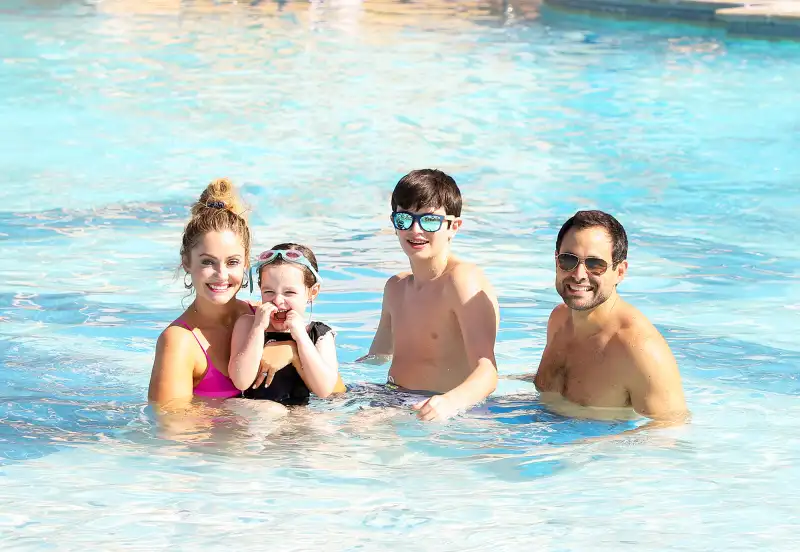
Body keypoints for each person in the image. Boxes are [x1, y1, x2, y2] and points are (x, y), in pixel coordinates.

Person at [358, 169, 499, 421]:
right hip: (390, 397)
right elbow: (377, 358)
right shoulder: (395, 288)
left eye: (429, 220)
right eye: (404, 219)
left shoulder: (461, 280)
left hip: (438, 406)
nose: (415, 230)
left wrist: (450, 402)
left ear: (453, 227)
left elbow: (487, 371)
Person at [148, 179, 297, 406]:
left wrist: (292, 350)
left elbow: (334, 391)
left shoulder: (265, 316)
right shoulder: (180, 342)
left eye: (232, 262)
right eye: (208, 262)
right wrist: (243, 411)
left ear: (246, 263)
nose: (221, 274)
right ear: (186, 262)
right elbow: (170, 423)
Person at [529, 210, 687, 422]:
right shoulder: (559, 319)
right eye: (568, 260)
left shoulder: (639, 348)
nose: (579, 275)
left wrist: (591, 442)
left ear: (620, 272)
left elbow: (671, 427)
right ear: (556, 261)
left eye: (595, 264)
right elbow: (557, 391)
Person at [229, 243, 345, 405]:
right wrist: (258, 328)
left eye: (289, 292)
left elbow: (324, 389)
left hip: (300, 414)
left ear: (312, 292)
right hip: (256, 410)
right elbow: (241, 381)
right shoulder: (248, 325)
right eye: (268, 292)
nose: (277, 300)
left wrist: (301, 337)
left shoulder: (320, 335)